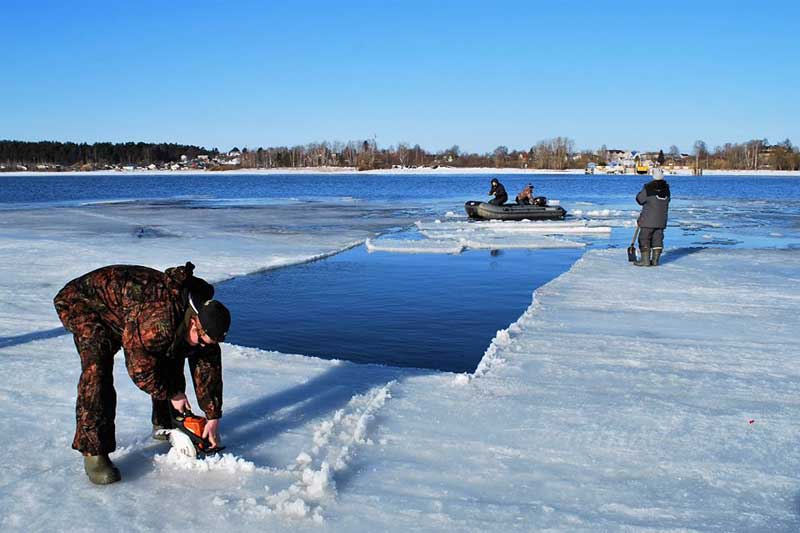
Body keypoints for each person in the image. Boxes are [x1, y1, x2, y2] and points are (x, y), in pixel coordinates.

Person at [53, 261, 231, 485]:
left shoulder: (205, 318)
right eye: (203, 340)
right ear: (194, 324)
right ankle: (94, 453)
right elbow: (140, 368)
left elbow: (208, 367)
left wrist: (213, 415)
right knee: (97, 370)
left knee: (175, 350)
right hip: (84, 303)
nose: (205, 346)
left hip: (129, 309)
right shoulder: (159, 320)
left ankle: (164, 422)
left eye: (210, 343)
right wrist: (174, 394)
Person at [634, 167, 670, 266]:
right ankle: (655, 261)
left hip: (648, 220)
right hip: (661, 221)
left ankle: (645, 260)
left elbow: (639, 200)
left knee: (644, 238)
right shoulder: (667, 189)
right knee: (658, 239)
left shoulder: (648, 188)